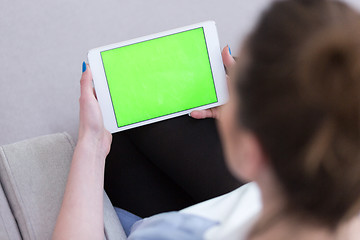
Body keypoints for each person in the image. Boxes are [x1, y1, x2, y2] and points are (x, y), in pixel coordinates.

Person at [52, 0, 360, 239]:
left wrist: (91, 144)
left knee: (127, 133)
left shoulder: (169, 234)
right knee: (152, 117)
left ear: (252, 152)